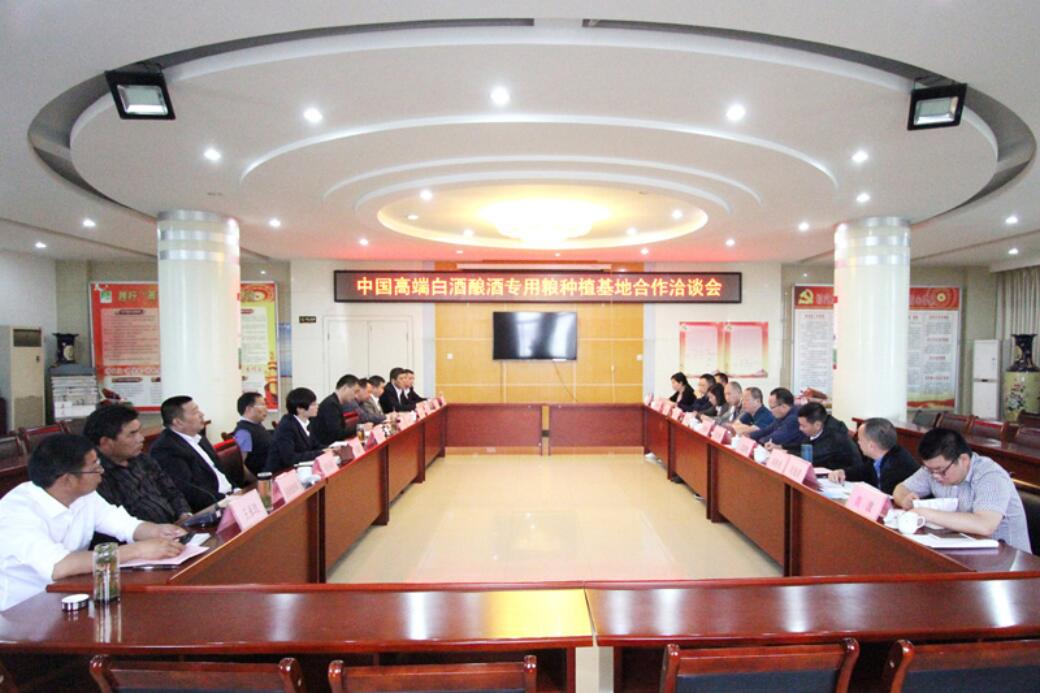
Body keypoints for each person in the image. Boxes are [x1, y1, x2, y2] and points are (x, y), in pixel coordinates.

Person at [0, 434, 185, 609]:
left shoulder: (84, 496)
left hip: (71, 594)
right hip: (23, 611)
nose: (101, 472)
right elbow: (59, 566)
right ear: (68, 479)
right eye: (94, 468)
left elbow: (125, 525)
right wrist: (138, 550)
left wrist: (160, 532)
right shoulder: (16, 513)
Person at [893, 428, 1031, 552]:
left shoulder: (990, 475)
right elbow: (901, 488)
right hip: (966, 548)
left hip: (1008, 559)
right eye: (930, 470)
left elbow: (985, 525)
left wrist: (926, 513)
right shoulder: (935, 469)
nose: (935, 476)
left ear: (964, 460)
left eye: (941, 471)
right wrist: (904, 499)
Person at [84, 403, 191, 525]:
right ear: (105, 442)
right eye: (132, 434)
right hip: (143, 535)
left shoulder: (143, 460)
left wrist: (184, 514)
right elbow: (117, 523)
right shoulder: (95, 476)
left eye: (139, 431)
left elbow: (172, 492)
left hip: (176, 528)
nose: (141, 438)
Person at [150, 396, 234, 512]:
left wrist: (237, 490)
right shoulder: (165, 448)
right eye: (195, 412)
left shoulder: (199, 437)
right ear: (178, 422)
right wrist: (226, 500)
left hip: (230, 497)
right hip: (211, 507)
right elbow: (188, 491)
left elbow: (221, 472)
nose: (202, 414)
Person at [828, 418, 920, 494]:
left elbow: (887, 496)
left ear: (871, 445)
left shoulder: (897, 465)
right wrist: (843, 472)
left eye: (860, 439)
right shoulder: (881, 457)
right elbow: (863, 471)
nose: (858, 443)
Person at [783, 402, 859, 470]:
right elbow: (804, 445)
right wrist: (783, 447)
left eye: (803, 426)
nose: (800, 429)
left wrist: (786, 453)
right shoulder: (817, 428)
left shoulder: (834, 436)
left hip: (846, 477)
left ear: (817, 425)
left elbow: (812, 456)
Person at [267, 387, 325, 474]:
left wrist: (331, 449)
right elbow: (289, 458)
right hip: (280, 473)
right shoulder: (287, 426)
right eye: (313, 404)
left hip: (298, 470)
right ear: (300, 409)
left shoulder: (306, 422)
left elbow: (315, 445)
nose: (317, 406)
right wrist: (321, 453)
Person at [311, 375, 360, 447]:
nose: (356, 396)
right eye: (355, 392)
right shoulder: (331, 404)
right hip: (326, 446)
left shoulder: (335, 402)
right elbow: (336, 433)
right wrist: (359, 428)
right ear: (345, 388)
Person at [232, 392, 272, 477]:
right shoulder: (244, 432)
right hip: (261, 479)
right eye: (262, 405)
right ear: (249, 409)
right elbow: (239, 465)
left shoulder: (257, 425)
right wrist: (255, 481)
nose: (266, 409)